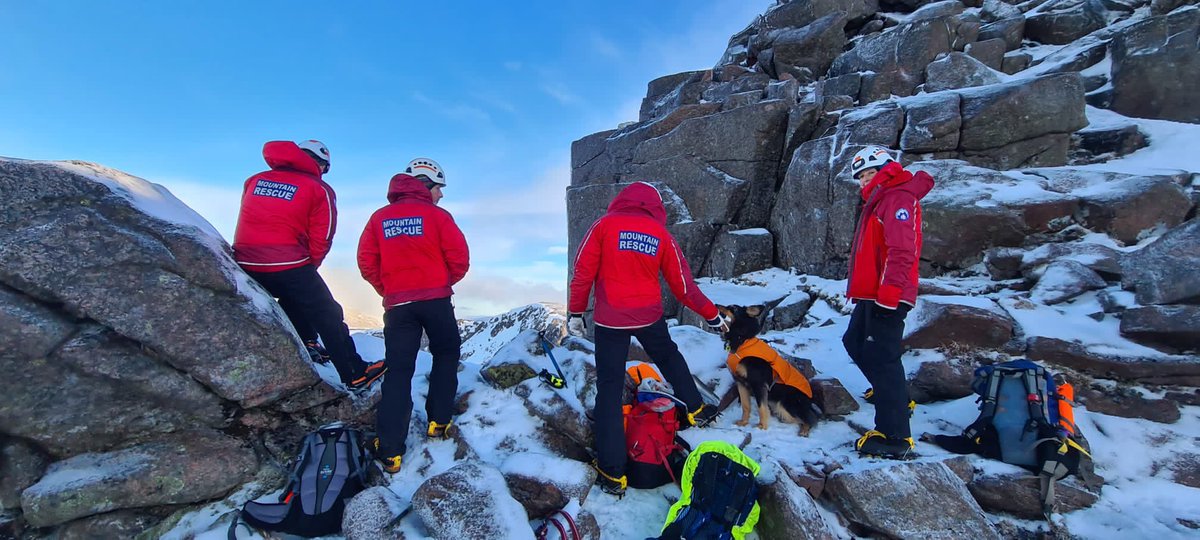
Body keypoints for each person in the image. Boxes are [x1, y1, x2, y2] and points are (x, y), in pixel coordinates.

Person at [568, 181, 729, 497]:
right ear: (655, 206)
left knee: (610, 390)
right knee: (668, 355)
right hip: (648, 315)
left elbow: (582, 272)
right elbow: (683, 285)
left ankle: (612, 473)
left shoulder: (603, 226)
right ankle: (696, 409)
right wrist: (711, 314)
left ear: (622, 200)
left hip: (610, 319)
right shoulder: (660, 235)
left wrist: (575, 313)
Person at [232, 139, 385, 390]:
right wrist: (309, 265)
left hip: (245, 262)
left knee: (295, 296)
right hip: (288, 261)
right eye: (325, 168)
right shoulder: (318, 188)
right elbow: (322, 235)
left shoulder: (255, 180)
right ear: (320, 163)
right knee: (327, 312)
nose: (324, 173)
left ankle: (307, 341)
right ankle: (355, 373)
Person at [357, 158, 468, 474]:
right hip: (436, 300)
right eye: (439, 189)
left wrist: (391, 289)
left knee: (398, 371)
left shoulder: (379, 218)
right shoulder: (438, 217)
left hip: (398, 306)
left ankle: (390, 451)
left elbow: (366, 261)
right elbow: (460, 259)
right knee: (446, 353)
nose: (441, 196)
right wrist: (440, 284)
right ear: (425, 185)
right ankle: (439, 420)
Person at [841, 145, 934, 459]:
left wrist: (890, 297)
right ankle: (892, 396)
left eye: (868, 172)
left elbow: (902, 251)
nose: (864, 180)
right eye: (861, 176)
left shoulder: (896, 197)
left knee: (883, 358)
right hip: (873, 293)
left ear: (886, 168)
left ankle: (894, 436)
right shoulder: (881, 198)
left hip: (888, 295)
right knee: (854, 342)